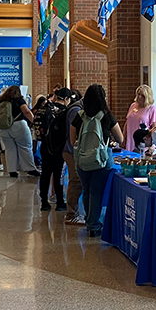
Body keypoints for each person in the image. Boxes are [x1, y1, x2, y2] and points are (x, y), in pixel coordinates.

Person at [70, 84, 123, 237]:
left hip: (82, 160)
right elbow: (120, 138)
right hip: (101, 160)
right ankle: (94, 225)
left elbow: (73, 140)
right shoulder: (106, 116)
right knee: (96, 192)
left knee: (86, 190)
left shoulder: (79, 116)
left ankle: (89, 220)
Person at [39, 88, 73, 212]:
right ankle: (59, 202)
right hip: (58, 148)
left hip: (45, 146)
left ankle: (44, 202)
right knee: (58, 175)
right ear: (66, 99)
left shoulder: (46, 108)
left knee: (45, 174)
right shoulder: (65, 111)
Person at [0, 86, 40, 178]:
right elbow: (26, 111)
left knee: (9, 149)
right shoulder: (19, 100)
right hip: (18, 125)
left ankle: (12, 171)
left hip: (3, 128)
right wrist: (34, 122)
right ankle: (30, 169)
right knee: (25, 147)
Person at [62, 89, 84, 225]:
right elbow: (73, 135)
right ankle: (71, 214)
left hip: (69, 150)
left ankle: (72, 212)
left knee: (75, 180)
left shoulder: (74, 108)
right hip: (70, 150)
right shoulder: (76, 111)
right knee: (75, 180)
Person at [123, 85, 156, 151]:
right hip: (130, 139)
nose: (139, 97)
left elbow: (155, 128)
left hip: (143, 142)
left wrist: (153, 145)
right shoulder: (133, 105)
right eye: (138, 94)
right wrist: (123, 136)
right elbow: (128, 121)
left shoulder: (152, 109)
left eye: (142, 95)